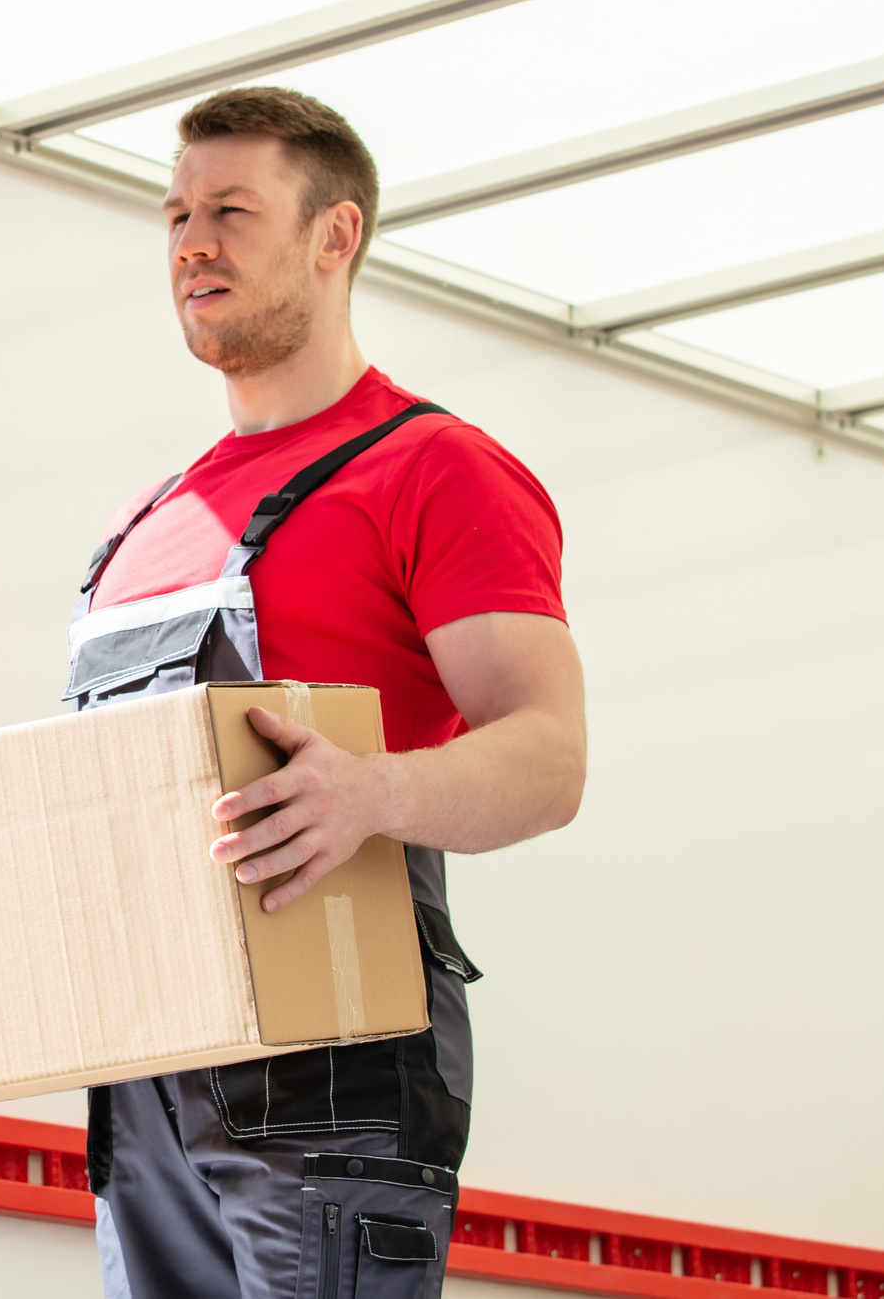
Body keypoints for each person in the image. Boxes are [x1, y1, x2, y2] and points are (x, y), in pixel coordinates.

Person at [64, 87, 587, 1299]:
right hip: (142, 1066)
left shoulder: (433, 470)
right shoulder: (140, 527)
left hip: (333, 1062)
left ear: (333, 235)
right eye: (178, 215)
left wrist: (370, 793)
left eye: (232, 211)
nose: (192, 243)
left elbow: (552, 756)